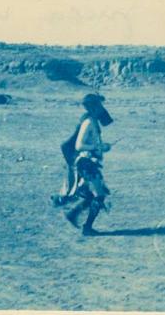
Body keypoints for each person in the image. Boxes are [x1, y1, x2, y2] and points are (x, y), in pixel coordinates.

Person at [64, 93, 114, 236]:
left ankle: (73, 214)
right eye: (99, 105)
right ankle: (87, 227)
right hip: (86, 163)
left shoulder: (92, 121)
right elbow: (79, 145)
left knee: (94, 195)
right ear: (93, 106)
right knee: (100, 196)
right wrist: (97, 147)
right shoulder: (89, 123)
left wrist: (101, 146)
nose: (102, 108)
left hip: (87, 163)